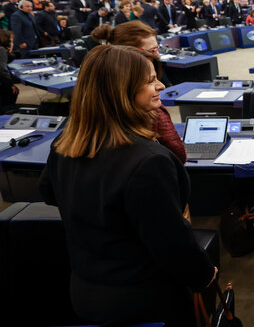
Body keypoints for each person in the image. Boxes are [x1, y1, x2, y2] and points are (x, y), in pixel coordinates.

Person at [38, 45, 216, 326]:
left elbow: (49, 193)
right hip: (145, 301)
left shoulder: (64, 144)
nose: (160, 85)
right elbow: (171, 245)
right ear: (120, 90)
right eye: (149, 80)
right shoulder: (149, 162)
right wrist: (206, 274)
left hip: (85, 291)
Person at [91, 22, 183, 158]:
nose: (157, 55)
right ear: (129, 54)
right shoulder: (153, 114)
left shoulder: (93, 106)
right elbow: (179, 155)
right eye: (152, 50)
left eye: (157, 48)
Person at [0, 30, 19, 110]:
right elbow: (2, 69)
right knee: (14, 91)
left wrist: (9, 51)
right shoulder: (1, 50)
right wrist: (10, 84)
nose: (12, 43)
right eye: (11, 41)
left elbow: (10, 58)